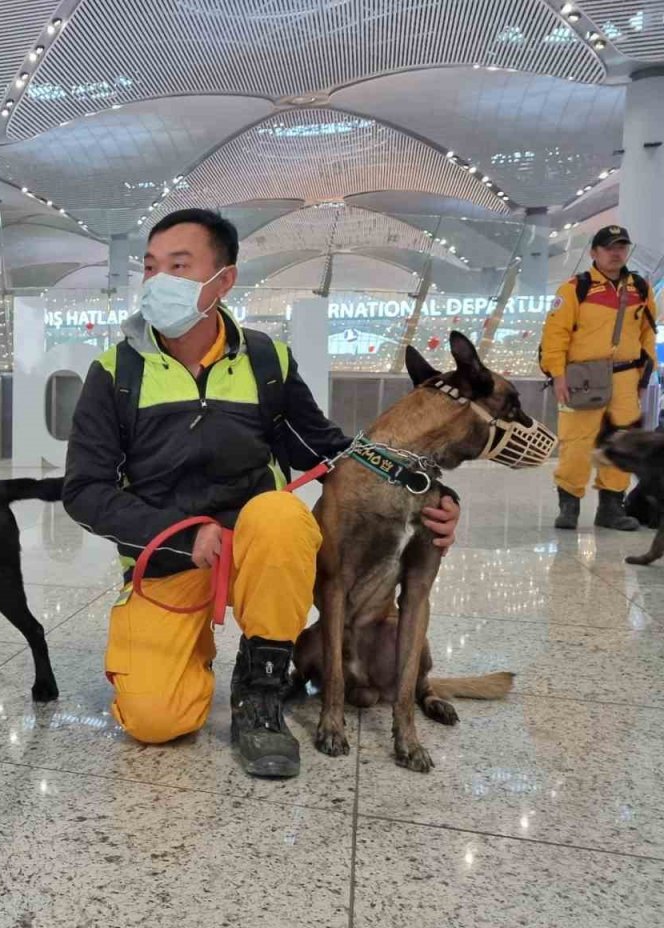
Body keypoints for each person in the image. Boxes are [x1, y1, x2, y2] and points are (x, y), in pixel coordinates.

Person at [63, 208, 461, 778]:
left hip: (255, 547)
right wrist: (177, 535)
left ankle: (261, 685)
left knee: (281, 516)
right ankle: (185, 659)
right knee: (155, 720)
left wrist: (431, 501)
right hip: (167, 553)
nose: (157, 283)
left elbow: (327, 452)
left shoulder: (265, 360)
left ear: (222, 281)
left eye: (179, 267)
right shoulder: (115, 372)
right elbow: (84, 490)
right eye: (150, 268)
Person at [542, 225, 658, 531]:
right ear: (594, 253)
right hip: (582, 377)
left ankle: (611, 508)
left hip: (625, 378)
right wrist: (557, 375)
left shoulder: (640, 289)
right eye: (609, 247)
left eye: (622, 247)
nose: (616, 252)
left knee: (624, 443)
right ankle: (569, 505)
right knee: (577, 443)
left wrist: (645, 374)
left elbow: (647, 333)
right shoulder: (575, 288)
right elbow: (555, 334)